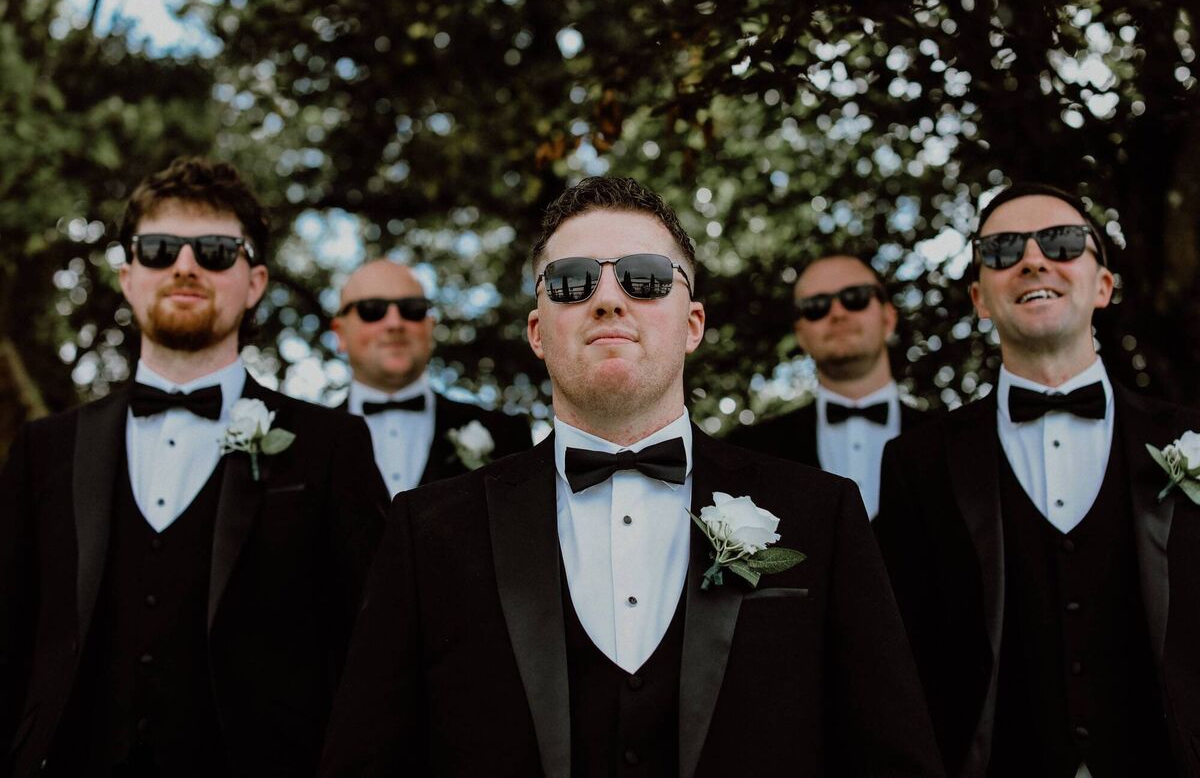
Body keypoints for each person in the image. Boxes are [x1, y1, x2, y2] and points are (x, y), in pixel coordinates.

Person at [320, 176, 943, 776]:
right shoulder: (427, 529)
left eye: (645, 279)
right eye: (571, 282)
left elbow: (890, 756)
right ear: (538, 331)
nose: (609, 299)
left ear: (692, 323)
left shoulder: (822, 511)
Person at [0, 157, 389, 777]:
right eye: (158, 249)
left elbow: (375, 654)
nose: (184, 266)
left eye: (214, 250)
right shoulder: (45, 450)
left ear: (255, 281)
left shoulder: (332, 446)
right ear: (128, 276)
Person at [874, 183, 1200, 778]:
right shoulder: (916, 464)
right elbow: (894, 660)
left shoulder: (1192, 438)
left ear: (1103, 285)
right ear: (980, 297)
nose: (1032, 259)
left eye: (1062, 242)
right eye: (1001, 250)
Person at [727, 254, 927, 520]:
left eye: (855, 297)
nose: (837, 313)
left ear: (888, 318)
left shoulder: (955, 443)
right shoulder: (751, 452)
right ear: (801, 334)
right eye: (816, 306)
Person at [331, 259, 531, 497]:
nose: (395, 323)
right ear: (340, 334)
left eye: (412, 309)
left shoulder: (506, 434)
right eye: (372, 310)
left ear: (430, 327)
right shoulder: (308, 442)